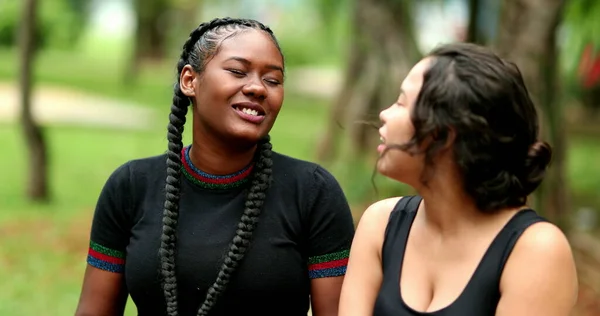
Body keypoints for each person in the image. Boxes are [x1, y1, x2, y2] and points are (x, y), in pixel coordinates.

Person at [75, 17, 355, 316]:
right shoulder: (131, 186)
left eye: (272, 80)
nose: (258, 88)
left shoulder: (312, 192)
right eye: (237, 71)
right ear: (189, 81)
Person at [338, 43, 578, 316]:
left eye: (401, 102)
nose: (384, 114)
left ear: (443, 135)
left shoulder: (535, 250)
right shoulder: (380, 225)